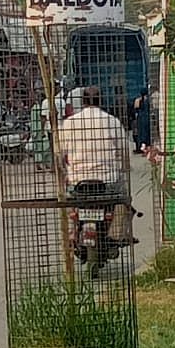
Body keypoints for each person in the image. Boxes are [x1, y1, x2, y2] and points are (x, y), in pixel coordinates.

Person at [58, 84, 134, 242]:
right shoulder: (112, 121)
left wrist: (66, 171)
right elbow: (124, 151)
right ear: (101, 101)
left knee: (65, 201)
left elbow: (59, 152)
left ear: (83, 102)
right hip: (108, 182)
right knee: (123, 199)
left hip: (77, 181)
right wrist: (125, 167)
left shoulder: (69, 123)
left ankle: (71, 233)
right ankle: (116, 235)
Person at [132, 84, 151, 153]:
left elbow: (135, 109)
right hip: (147, 117)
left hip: (140, 118)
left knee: (141, 133)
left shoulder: (138, 100)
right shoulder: (149, 100)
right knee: (147, 133)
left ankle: (141, 147)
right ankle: (148, 146)